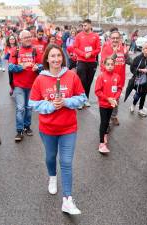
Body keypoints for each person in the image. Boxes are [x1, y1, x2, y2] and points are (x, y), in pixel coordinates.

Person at [29, 44, 86, 215]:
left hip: (69, 127)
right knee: (50, 157)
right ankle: (52, 177)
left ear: (63, 57)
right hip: (48, 128)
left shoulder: (71, 76)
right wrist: (51, 105)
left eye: (59, 56)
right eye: (52, 56)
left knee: (67, 162)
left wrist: (67, 102)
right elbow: (32, 103)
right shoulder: (40, 79)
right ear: (47, 59)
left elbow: (82, 98)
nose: (56, 59)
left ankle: (67, 199)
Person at [8, 30, 41, 142]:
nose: (28, 39)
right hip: (19, 85)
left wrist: (38, 67)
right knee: (20, 108)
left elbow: (42, 65)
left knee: (29, 108)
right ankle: (19, 130)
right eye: (25, 37)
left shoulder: (35, 50)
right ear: (20, 39)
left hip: (32, 85)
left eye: (29, 37)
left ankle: (27, 127)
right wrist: (21, 66)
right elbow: (10, 67)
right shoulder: (15, 50)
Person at [94, 56, 122, 153]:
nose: (110, 66)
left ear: (114, 65)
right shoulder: (101, 77)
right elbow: (97, 91)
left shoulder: (117, 77)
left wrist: (115, 98)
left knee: (108, 121)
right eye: (108, 64)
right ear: (104, 65)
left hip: (112, 104)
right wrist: (107, 98)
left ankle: (105, 133)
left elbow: (119, 88)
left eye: (112, 64)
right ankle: (101, 144)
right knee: (104, 122)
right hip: (103, 105)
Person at [100, 31, 127, 125]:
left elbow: (125, 62)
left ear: (120, 39)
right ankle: (106, 121)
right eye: (113, 38)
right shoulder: (106, 49)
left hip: (119, 80)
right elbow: (104, 64)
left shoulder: (123, 48)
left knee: (116, 99)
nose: (115, 40)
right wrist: (115, 52)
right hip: (108, 80)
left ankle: (114, 116)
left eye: (117, 38)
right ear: (110, 39)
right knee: (107, 100)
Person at [73, 19, 101, 107]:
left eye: (85, 25)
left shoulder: (95, 36)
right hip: (81, 61)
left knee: (89, 82)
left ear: (90, 25)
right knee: (82, 81)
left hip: (92, 62)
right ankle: (80, 100)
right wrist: (83, 54)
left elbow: (98, 49)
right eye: (83, 25)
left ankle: (86, 99)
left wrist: (91, 54)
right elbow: (75, 48)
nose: (84, 27)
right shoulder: (79, 36)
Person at [128, 42, 147, 117]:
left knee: (144, 95)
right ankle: (133, 105)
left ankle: (140, 109)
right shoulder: (138, 58)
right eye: (146, 48)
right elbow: (132, 68)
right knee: (138, 94)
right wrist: (139, 70)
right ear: (143, 49)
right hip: (138, 80)